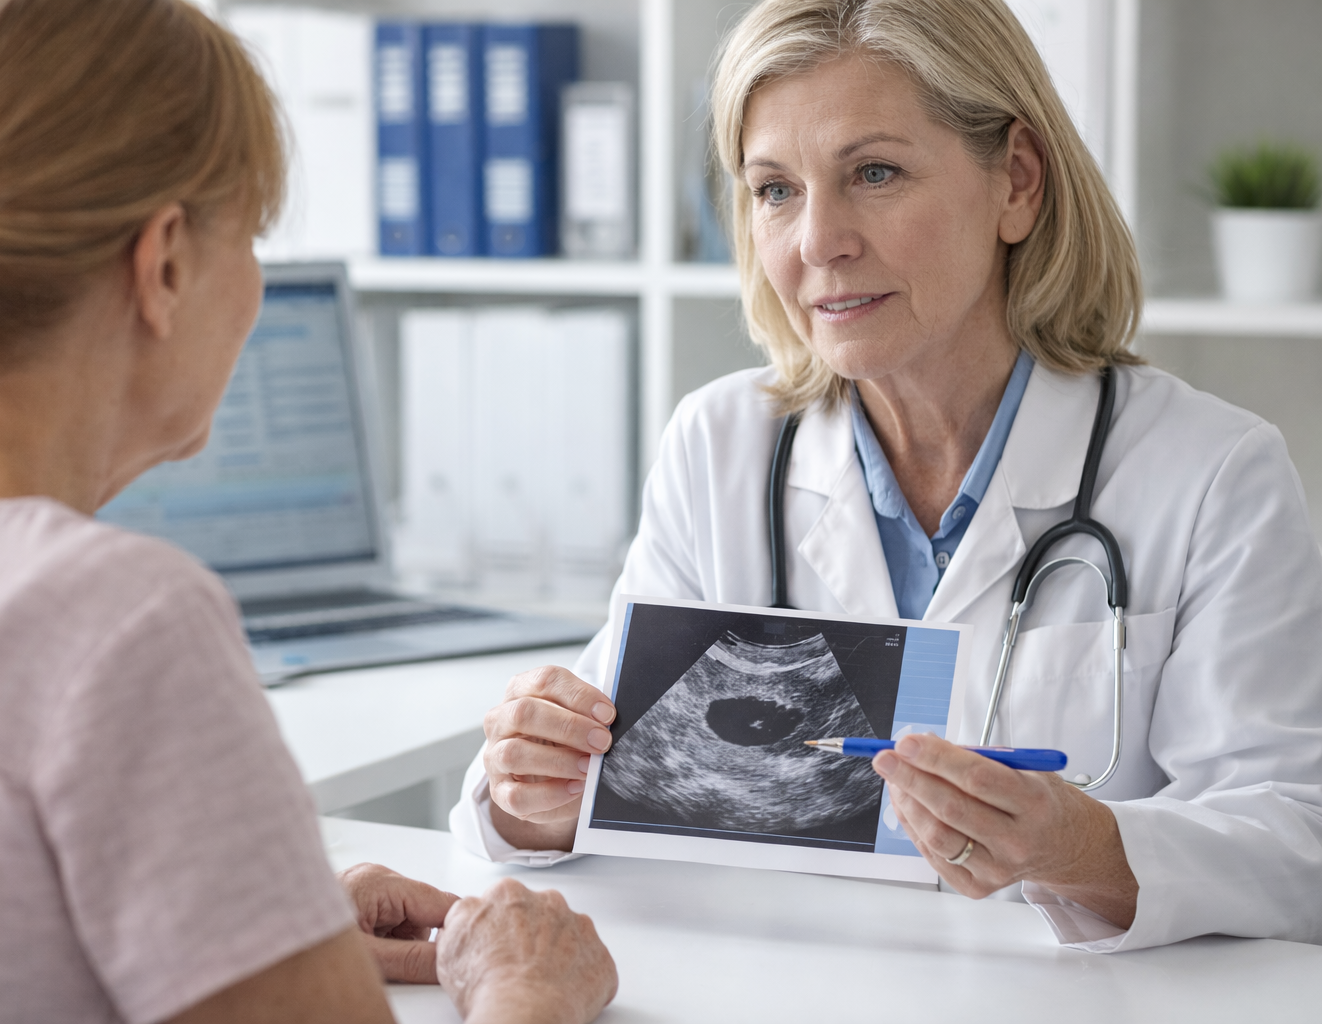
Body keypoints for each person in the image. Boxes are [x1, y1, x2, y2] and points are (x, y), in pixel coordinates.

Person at [0, 1, 619, 1021]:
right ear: (166, 263)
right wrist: (525, 988)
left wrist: (274, 923)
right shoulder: (122, 621)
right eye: (254, 238)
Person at [452, 0, 1322, 953]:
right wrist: (534, 791)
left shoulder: (1210, 473)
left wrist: (1086, 847)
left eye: (875, 173)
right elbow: (580, 787)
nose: (819, 241)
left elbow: (1296, 841)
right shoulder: (722, 445)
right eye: (775, 189)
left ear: (1018, 184)